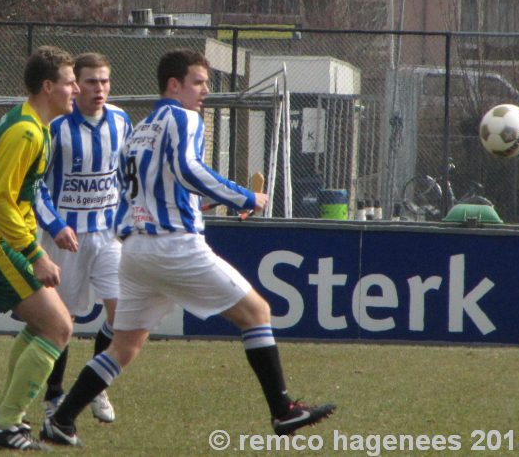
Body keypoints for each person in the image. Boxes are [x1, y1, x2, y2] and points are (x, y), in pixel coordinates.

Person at [39, 48, 335, 446]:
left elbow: (154, 189)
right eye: (198, 83)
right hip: (174, 247)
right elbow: (187, 169)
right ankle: (283, 411)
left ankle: (62, 418)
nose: (205, 93)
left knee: (124, 346)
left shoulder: (140, 128)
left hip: (137, 252)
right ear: (173, 85)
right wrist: (244, 197)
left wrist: (205, 202)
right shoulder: (184, 117)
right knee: (257, 312)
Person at [0, 45, 79, 451]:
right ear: (48, 86)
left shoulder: (36, 126)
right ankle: (6, 424)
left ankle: (6, 417)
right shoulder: (24, 131)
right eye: (70, 81)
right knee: (57, 327)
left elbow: (22, 198)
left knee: (49, 325)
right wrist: (34, 253)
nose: (75, 88)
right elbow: (0, 202)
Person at [34, 52, 132, 423]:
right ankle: (54, 396)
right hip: (66, 239)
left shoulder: (121, 121)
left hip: (107, 235)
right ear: (76, 84)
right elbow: (36, 186)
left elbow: (127, 175)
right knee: (62, 321)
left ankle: (95, 386)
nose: (99, 89)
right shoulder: (56, 126)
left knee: (122, 313)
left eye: (105, 81)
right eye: (91, 81)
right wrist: (56, 225)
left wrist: (129, 217)